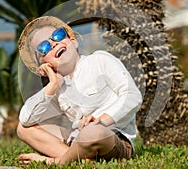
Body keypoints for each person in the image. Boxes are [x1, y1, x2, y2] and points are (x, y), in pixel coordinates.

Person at [17, 16, 142, 165]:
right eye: (44, 47)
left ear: (73, 41)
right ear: (43, 67)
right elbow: (26, 119)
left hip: (112, 137)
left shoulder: (100, 61)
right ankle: (81, 159)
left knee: (92, 131)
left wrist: (101, 120)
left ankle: (57, 162)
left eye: (58, 35)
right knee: (23, 129)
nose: (53, 43)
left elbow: (132, 96)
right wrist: (52, 85)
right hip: (77, 140)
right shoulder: (57, 88)